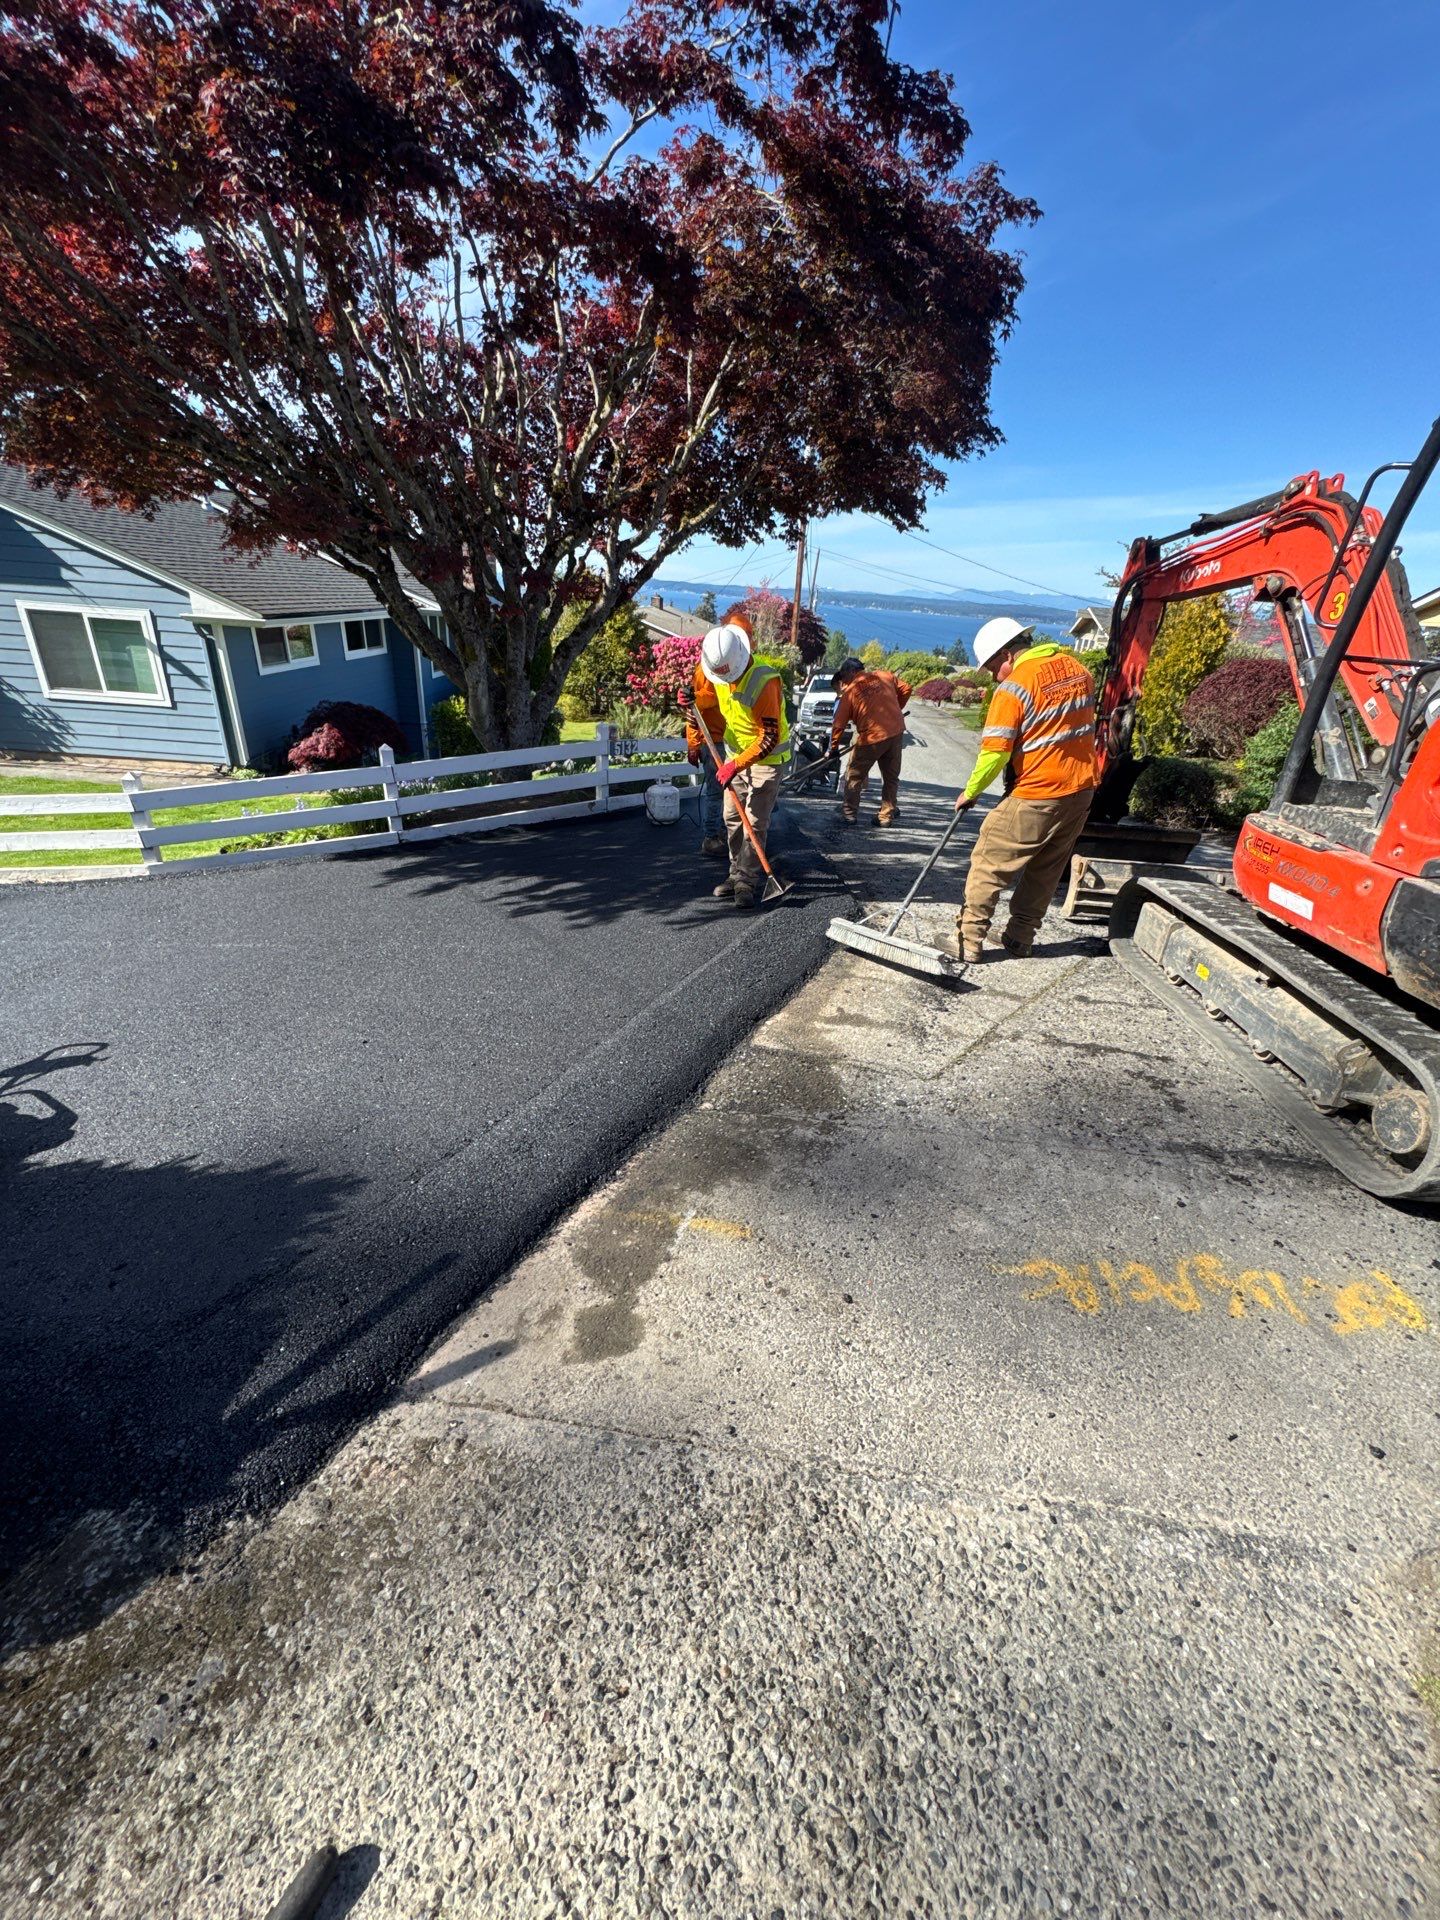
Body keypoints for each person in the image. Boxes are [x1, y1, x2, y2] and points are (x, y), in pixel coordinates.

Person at [951, 617, 1097, 962]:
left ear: (1006, 654)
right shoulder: (1078, 670)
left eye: (990, 666)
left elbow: (995, 751)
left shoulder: (1015, 686)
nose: (990, 675)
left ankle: (967, 939)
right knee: (1046, 868)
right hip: (1080, 791)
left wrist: (971, 791)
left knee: (989, 860)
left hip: (1038, 790)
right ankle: (1020, 938)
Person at [698, 617, 790, 908]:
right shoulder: (718, 668)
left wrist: (735, 766)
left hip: (767, 759)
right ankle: (736, 873)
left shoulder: (765, 681)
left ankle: (747, 882)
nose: (727, 681)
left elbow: (768, 738)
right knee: (731, 818)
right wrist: (691, 701)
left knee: (754, 821)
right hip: (734, 756)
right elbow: (706, 703)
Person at [829, 657, 910, 825]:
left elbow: (838, 724)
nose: (843, 681)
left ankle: (849, 814)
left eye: (844, 676)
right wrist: (895, 709)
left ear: (851, 672)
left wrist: (833, 748)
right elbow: (906, 688)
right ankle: (885, 816)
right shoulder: (884, 676)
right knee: (891, 777)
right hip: (895, 732)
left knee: (854, 775)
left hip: (871, 737)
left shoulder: (850, 692)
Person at [684, 656, 727, 857]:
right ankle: (711, 837)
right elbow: (700, 702)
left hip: (722, 739)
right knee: (716, 792)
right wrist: (693, 745)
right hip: (713, 742)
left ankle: (722, 832)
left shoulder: (721, 667)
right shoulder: (706, 670)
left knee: (725, 792)